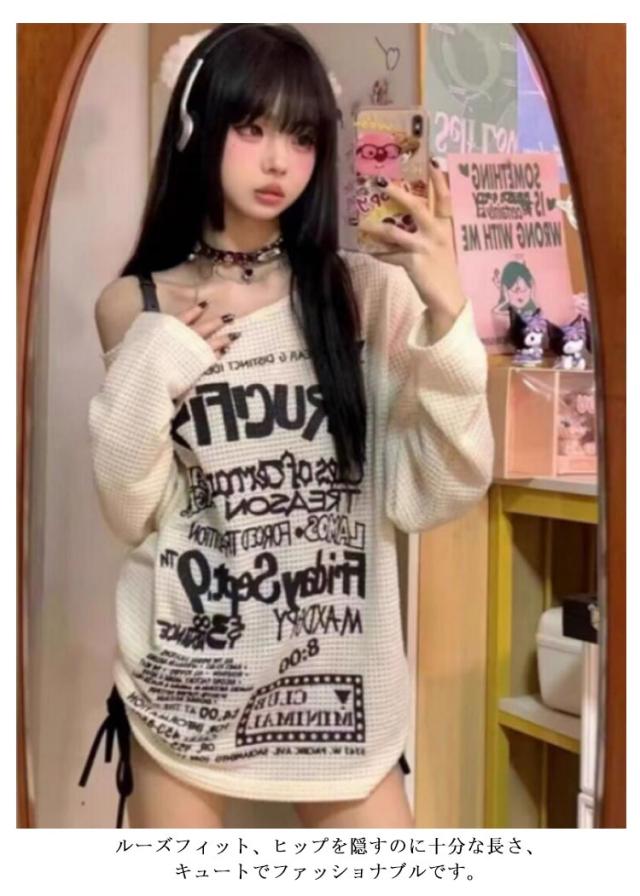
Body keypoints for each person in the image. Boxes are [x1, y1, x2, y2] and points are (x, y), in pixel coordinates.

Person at [79, 23, 494, 829]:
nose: (278, 161)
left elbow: (434, 490)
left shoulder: (364, 294)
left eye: (301, 137)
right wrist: (158, 357)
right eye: (252, 127)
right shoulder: (136, 306)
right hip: (187, 680)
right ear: (196, 128)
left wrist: (447, 313)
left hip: (340, 685)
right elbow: (133, 510)